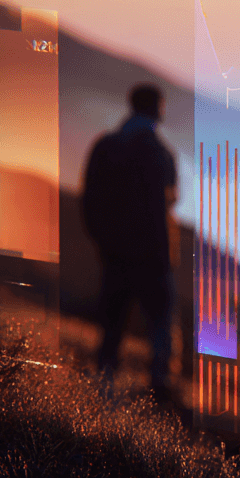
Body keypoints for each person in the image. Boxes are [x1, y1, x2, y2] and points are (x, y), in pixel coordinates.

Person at [81, 83, 177, 400]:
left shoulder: (107, 146)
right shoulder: (160, 154)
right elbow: (170, 201)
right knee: (160, 325)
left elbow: (89, 198)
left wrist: (102, 239)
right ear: (158, 110)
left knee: (112, 322)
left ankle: (104, 386)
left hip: (115, 252)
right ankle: (158, 388)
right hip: (153, 256)